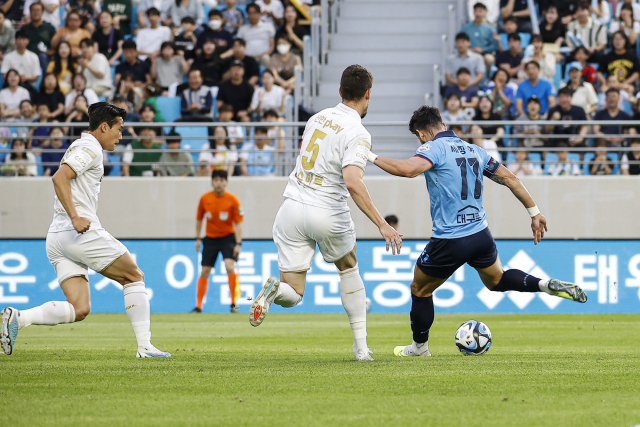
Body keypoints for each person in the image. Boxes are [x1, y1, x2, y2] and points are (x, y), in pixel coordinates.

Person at [365, 105, 586, 358]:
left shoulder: (432, 148)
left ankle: (419, 348)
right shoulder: (475, 150)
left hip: (449, 238)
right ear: (444, 124)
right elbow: (511, 178)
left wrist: (370, 157)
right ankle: (544, 284)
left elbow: (408, 169)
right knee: (497, 279)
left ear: (422, 133)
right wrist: (534, 213)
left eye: (418, 137)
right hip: (481, 234)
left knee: (420, 288)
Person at [248, 65, 403, 362]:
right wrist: (383, 224)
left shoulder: (316, 118)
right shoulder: (358, 132)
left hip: (291, 208)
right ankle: (361, 349)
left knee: (293, 292)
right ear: (368, 94)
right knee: (349, 267)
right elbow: (353, 181)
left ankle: (272, 291)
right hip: (327, 210)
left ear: (340, 91)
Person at [1, 103, 171, 358]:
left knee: (79, 308)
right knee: (134, 276)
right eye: (119, 129)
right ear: (104, 127)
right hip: (77, 232)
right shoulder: (90, 147)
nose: (121, 135)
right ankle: (145, 347)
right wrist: (76, 217)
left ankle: (18, 319)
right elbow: (59, 177)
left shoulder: (81, 146)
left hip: (57, 237)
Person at [193, 169, 244, 313]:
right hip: (210, 239)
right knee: (205, 271)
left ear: (226, 182)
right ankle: (199, 306)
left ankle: (234, 304)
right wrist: (197, 238)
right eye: (216, 180)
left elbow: (238, 223)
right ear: (212, 182)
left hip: (228, 238)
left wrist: (238, 244)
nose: (219, 183)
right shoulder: (205, 198)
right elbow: (199, 219)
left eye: (222, 180)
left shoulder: (233, 200)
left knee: (229, 267)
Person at [545, 86, 588, 155]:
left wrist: (580, 138)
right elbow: (547, 130)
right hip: (558, 140)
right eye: (562, 97)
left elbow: (585, 126)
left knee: (583, 148)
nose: (564, 100)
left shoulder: (579, 110)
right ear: (558, 98)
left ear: (571, 98)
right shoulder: (553, 110)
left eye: (567, 97)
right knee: (546, 148)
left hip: (574, 138)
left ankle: (581, 166)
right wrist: (553, 119)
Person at [461, 3, 499, 69]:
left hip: (485, 53)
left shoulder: (490, 29)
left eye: (480, 11)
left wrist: (483, 50)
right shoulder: (465, 28)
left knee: (489, 59)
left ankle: (487, 78)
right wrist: (469, 49)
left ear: (485, 13)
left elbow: (495, 45)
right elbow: (460, 41)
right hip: (469, 52)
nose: (478, 14)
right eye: (476, 11)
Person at [236, 3, 275, 67]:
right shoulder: (242, 29)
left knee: (266, 58)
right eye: (250, 13)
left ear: (260, 13)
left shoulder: (269, 26)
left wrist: (267, 53)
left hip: (263, 56)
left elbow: (272, 44)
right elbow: (239, 45)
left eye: (254, 13)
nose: (252, 16)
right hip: (248, 57)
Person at [23, 2, 56, 69]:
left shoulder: (49, 28)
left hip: (44, 56)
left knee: (42, 56)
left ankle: (46, 77)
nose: (36, 12)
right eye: (33, 10)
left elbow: (54, 46)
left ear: (42, 12)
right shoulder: (24, 29)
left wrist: (50, 52)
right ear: (30, 13)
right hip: (28, 57)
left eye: (38, 10)